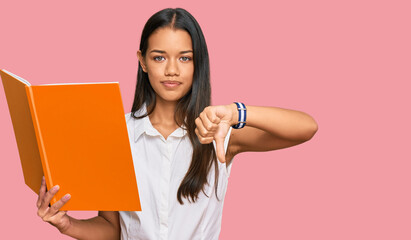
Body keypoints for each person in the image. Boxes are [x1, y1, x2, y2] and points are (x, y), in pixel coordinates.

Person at [36, 8, 318, 240]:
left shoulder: (217, 133)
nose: (172, 69)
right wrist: (67, 224)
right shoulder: (116, 135)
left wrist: (235, 112)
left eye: (185, 58)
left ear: (198, 65)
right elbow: (112, 229)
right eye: (159, 57)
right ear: (142, 62)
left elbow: (306, 127)